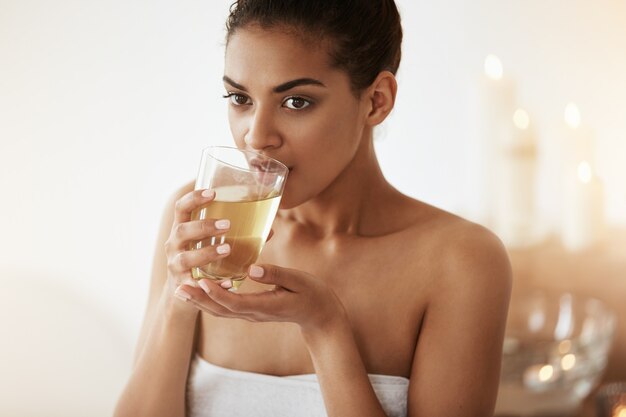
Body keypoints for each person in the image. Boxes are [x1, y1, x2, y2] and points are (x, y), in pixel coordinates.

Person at [114, 1, 512, 416]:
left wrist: (325, 328)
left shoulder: (460, 262)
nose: (257, 137)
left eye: (296, 102)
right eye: (240, 98)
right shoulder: (202, 221)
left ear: (376, 101)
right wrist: (178, 302)